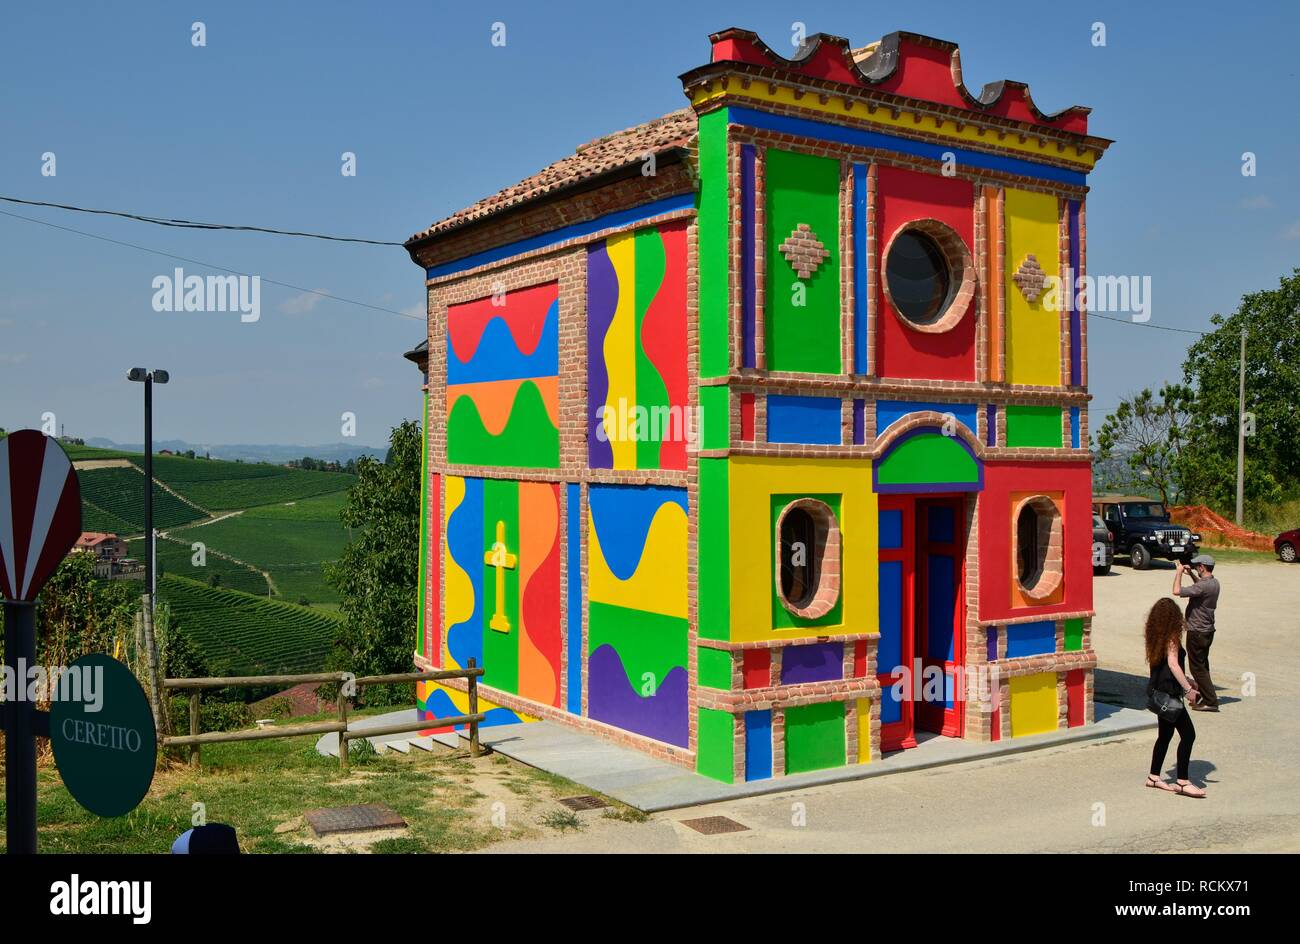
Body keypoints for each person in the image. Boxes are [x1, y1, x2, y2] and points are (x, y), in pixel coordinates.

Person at [1144, 597, 1206, 797]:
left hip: (1160, 692)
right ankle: (1182, 781)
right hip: (1170, 694)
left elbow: (1165, 667)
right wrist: (1188, 689)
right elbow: (1172, 664)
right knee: (1188, 735)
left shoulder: (1156, 637)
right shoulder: (1171, 636)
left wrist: (1188, 679)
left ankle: (1153, 777)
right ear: (1174, 618)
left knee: (1165, 735)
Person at [1173, 553, 1220, 711]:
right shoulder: (1214, 582)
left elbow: (1176, 591)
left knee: (1197, 668)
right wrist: (1191, 574)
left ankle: (1211, 701)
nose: (1195, 568)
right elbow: (1199, 587)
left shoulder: (1203, 586)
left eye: (1196, 567)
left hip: (1197, 631)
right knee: (1203, 665)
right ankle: (1204, 697)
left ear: (1202, 567)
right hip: (1207, 630)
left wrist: (1179, 572)